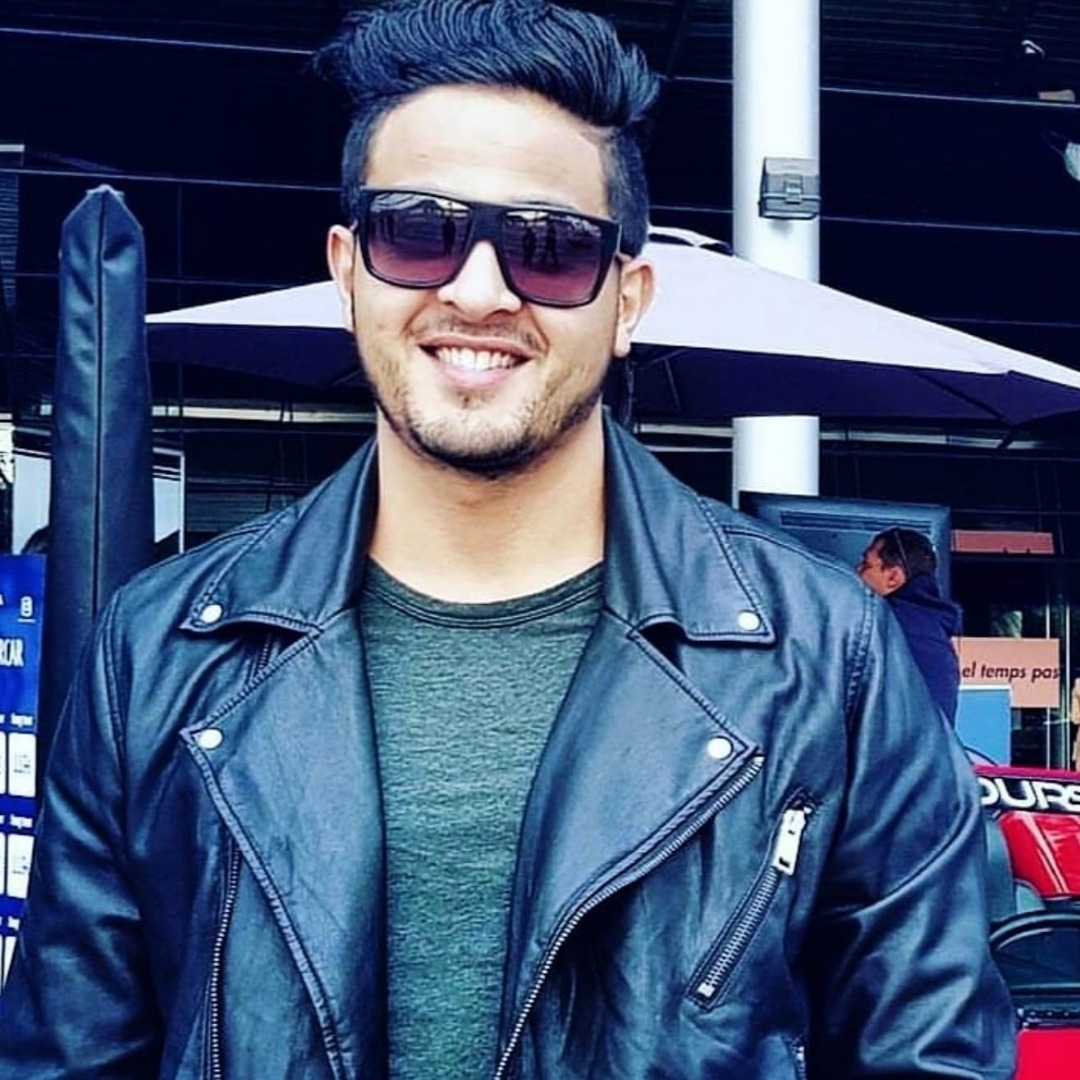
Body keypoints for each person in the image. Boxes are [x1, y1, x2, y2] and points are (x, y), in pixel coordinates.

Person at [0, 1, 1015, 1076]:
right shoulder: (159, 650)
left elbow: (930, 1054)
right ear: (348, 270)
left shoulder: (827, 657)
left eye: (550, 248)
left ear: (627, 301)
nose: (478, 291)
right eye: (417, 232)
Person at [857, 526, 963, 722]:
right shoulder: (930, 626)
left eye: (866, 564)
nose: (857, 572)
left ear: (893, 577)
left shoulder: (886, 623)